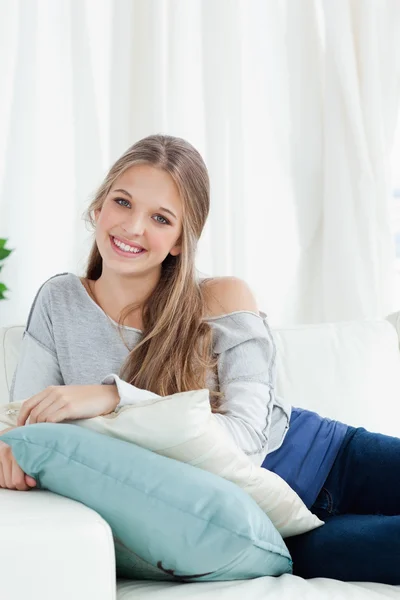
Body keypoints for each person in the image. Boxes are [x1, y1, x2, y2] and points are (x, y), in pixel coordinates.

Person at [1, 134, 399, 585]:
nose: (133, 228)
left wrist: (111, 397)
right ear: (98, 207)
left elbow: (247, 439)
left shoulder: (219, 298)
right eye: (123, 202)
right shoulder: (59, 301)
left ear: (178, 241)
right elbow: (25, 431)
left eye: (160, 218)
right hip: (264, 527)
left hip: (330, 458)